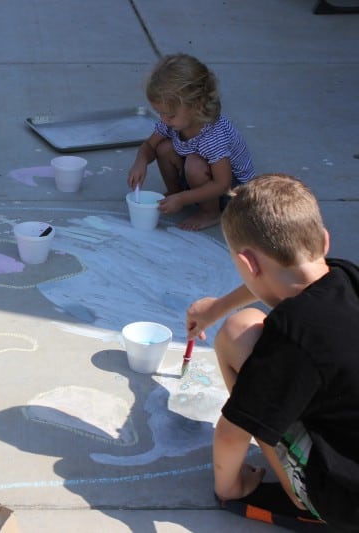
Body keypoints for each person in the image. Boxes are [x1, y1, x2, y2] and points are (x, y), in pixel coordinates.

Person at [186, 174, 359, 531]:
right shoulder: (346, 275)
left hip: (345, 499)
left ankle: (302, 499)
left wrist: (230, 487)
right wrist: (216, 307)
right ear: (324, 242)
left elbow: (232, 433)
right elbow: (279, 276)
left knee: (238, 332)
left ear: (248, 264)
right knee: (241, 321)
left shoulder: (293, 334)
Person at [127, 53, 255, 231]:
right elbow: (149, 145)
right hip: (205, 179)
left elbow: (222, 184)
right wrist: (140, 162)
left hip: (231, 194)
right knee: (164, 148)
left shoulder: (213, 136)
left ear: (197, 106)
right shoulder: (172, 122)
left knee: (194, 164)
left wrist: (183, 199)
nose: (163, 119)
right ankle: (176, 194)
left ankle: (210, 212)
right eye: (160, 113)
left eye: (170, 115)